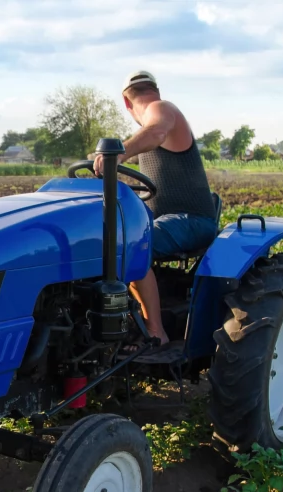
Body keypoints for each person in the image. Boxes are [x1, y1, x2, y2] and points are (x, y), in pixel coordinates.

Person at [93, 71, 216, 349]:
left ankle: (155, 330)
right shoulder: (147, 132)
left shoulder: (160, 109)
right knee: (101, 239)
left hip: (192, 220)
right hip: (161, 221)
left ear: (126, 103)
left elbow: (156, 131)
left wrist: (119, 152)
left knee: (130, 245)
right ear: (155, 89)